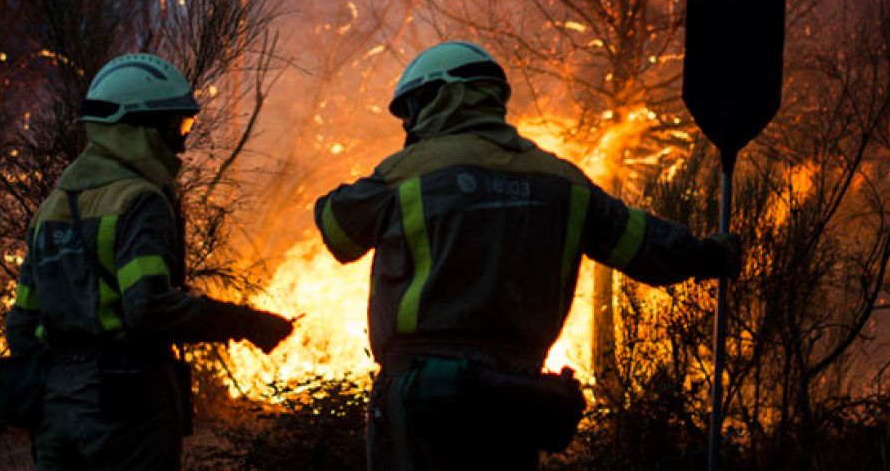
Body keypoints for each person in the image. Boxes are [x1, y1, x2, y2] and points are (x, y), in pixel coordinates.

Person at [314, 41, 742, 470]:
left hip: (423, 391)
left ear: (442, 96)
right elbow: (642, 245)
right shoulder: (562, 181)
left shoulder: (407, 171)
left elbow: (337, 229)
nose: (408, 123)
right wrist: (706, 255)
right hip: (515, 393)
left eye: (410, 109)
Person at [5, 52, 294, 470]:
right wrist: (245, 323)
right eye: (176, 127)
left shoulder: (51, 207)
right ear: (137, 130)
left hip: (56, 404)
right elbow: (148, 307)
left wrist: (50, 397)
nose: (181, 141)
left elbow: (21, 323)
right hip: (126, 400)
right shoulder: (139, 201)